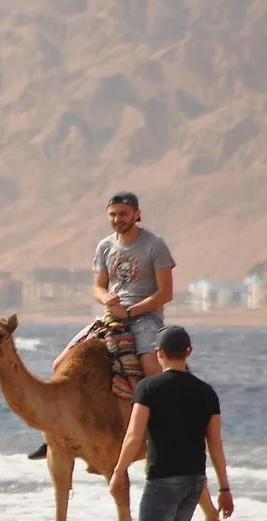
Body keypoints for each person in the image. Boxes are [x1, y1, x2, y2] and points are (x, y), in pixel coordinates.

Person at [28, 190, 176, 460]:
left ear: (136, 214)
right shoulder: (105, 246)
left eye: (123, 214)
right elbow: (98, 286)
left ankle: (164, 430)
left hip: (145, 316)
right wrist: (106, 298)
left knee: (151, 368)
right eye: (113, 215)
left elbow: (165, 293)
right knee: (60, 364)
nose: (118, 219)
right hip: (110, 316)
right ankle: (55, 437)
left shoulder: (155, 245)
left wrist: (129, 311)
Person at [108, 325, 234, 521]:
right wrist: (224, 488)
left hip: (163, 477)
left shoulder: (148, 389)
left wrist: (118, 471)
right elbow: (215, 444)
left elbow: (134, 436)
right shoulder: (207, 393)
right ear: (189, 352)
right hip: (195, 480)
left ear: (158, 354)